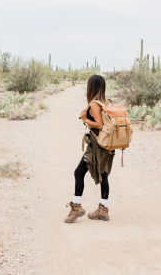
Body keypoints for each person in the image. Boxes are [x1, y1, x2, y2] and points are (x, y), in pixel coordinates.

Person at [65, 74, 115, 223]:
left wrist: (86, 119)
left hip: (96, 145)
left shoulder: (94, 103)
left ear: (91, 86)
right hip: (105, 144)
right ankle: (103, 209)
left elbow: (99, 125)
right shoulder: (103, 102)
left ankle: (77, 207)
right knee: (103, 174)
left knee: (79, 172)